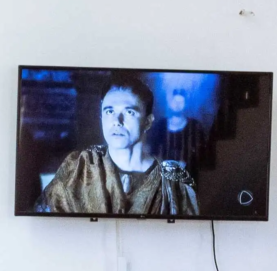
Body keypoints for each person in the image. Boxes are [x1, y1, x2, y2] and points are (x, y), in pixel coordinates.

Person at [36, 81, 201, 216]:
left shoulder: (173, 181)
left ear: (148, 122)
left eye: (129, 112)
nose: (116, 121)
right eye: (109, 112)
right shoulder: (79, 166)